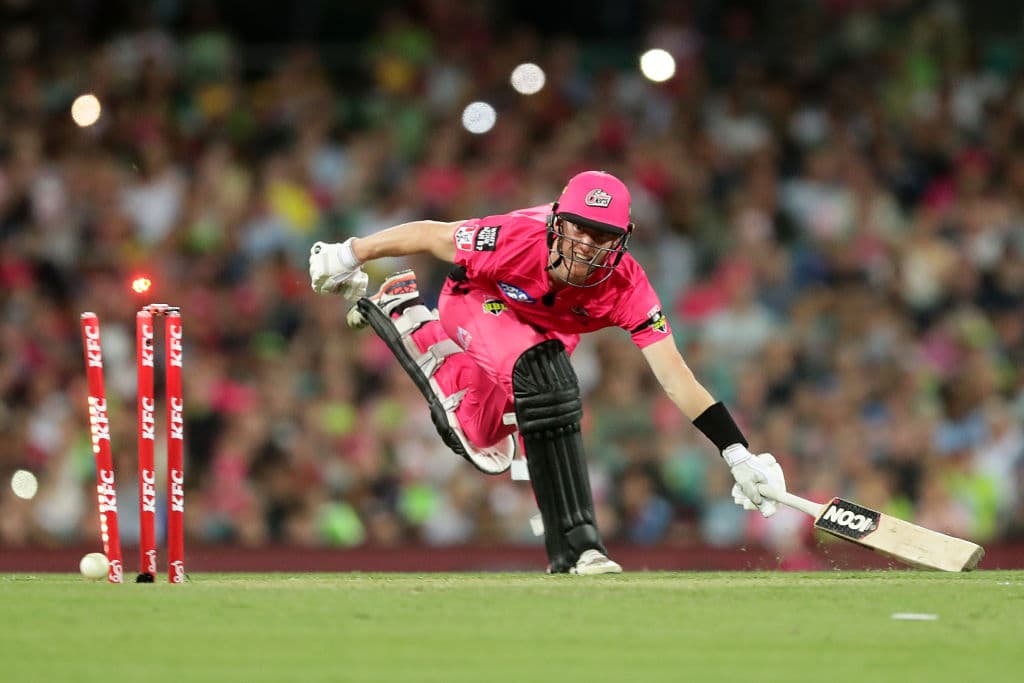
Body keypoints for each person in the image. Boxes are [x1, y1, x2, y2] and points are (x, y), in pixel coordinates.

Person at [309, 170, 786, 574]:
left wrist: (737, 452)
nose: (584, 245)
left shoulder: (628, 288)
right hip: (475, 299)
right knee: (545, 379)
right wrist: (352, 251)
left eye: (600, 235)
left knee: (482, 438)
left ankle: (408, 320)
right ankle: (578, 546)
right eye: (577, 227)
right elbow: (433, 233)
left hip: (542, 334)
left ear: (622, 239)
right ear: (559, 219)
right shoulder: (517, 237)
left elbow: (677, 377)